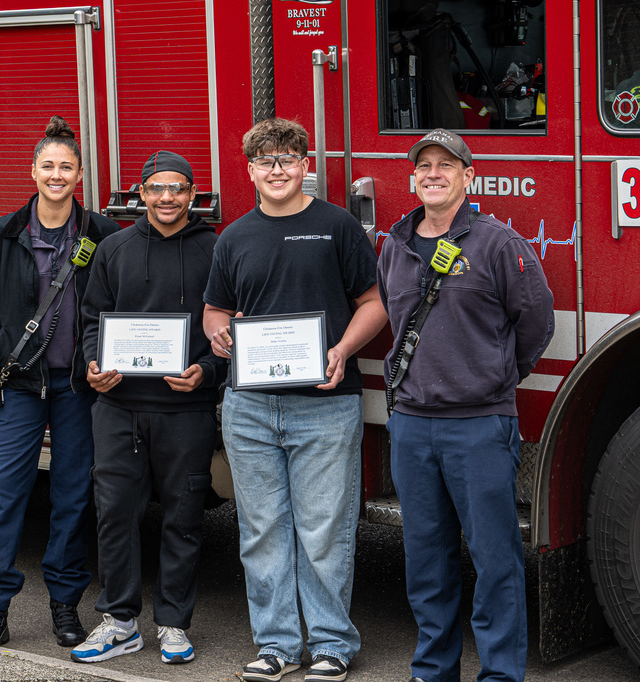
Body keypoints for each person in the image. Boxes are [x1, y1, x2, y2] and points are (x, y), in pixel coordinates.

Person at [203, 117, 388, 682]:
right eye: (265, 161)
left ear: (306, 165)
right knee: (261, 530)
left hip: (325, 405)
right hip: (251, 408)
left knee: (325, 531)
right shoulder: (234, 237)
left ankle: (332, 643)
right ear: (251, 170)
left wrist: (341, 349)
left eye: (287, 159)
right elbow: (216, 308)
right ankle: (276, 645)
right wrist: (217, 331)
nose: (277, 170)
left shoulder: (336, 227)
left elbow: (374, 302)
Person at [377, 128, 554, 682]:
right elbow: (393, 312)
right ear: (412, 178)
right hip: (410, 426)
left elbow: (536, 321)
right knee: (426, 564)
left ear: (468, 176)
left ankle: (500, 674)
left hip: (478, 426)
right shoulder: (395, 245)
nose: (433, 173)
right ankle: (434, 671)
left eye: (446, 165)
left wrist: (493, 376)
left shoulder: (498, 244)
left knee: (495, 562)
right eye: (424, 165)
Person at [0, 116, 119, 647]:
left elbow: (117, 306)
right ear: (32, 171)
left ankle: (65, 607)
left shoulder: (102, 236)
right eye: (47, 165)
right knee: (3, 497)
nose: (56, 174)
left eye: (65, 166)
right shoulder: (1, 234)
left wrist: (105, 357)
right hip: (18, 388)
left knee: (72, 499)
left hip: (78, 391)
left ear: (79, 175)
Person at [73, 151, 226, 665]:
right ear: (140, 194)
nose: (167, 198)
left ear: (192, 196)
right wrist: (94, 362)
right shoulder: (114, 248)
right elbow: (93, 317)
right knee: (115, 514)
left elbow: (232, 326)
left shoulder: (216, 249)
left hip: (187, 408)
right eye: (157, 188)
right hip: (117, 407)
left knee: (183, 517)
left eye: (178, 189)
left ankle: (174, 624)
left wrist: (206, 370)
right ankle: (119, 621)